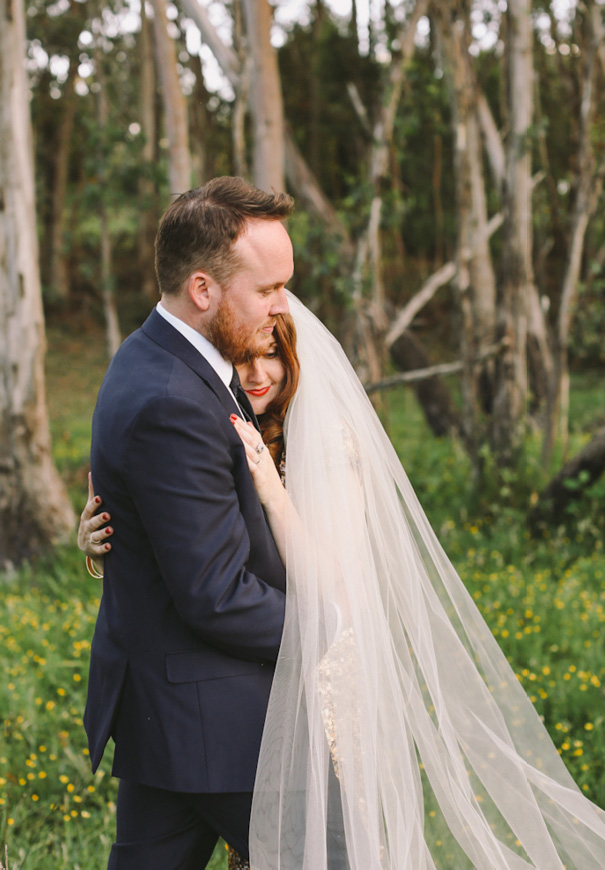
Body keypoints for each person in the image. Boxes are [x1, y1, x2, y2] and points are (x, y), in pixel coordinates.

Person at [81, 291, 605, 869]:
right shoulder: (211, 418)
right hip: (225, 688)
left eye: (271, 358)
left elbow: (332, 589)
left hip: (316, 680)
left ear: (294, 357)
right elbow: (188, 548)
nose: (257, 375)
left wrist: (274, 494)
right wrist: (100, 547)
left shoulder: (325, 445)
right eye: (246, 359)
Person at [82, 176, 298, 870]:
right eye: (266, 288)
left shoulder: (169, 358)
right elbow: (214, 592)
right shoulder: (172, 398)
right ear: (203, 290)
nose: (281, 305)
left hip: (170, 706)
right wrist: (325, 626)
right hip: (213, 719)